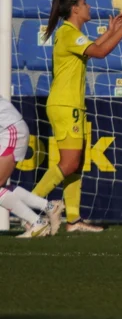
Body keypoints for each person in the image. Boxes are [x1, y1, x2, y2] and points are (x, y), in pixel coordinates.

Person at [31, 0, 122, 232]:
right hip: (65, 105)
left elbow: (94, 47)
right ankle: (28, 207)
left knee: (76, 164)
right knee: (69, 163)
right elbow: (100, 52)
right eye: (84, 3)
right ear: (75, 9)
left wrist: (111, 31)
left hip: (72, 105)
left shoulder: (71, 34)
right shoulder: (68, 33)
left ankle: (73, 220)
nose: (88, 6)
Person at [0, 97, 63, 238]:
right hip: (9, 131)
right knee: (2, 187)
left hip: (10, 132)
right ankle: (50, 207)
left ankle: (37, 222)